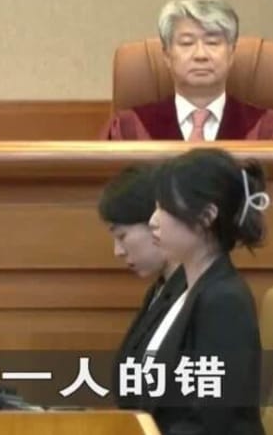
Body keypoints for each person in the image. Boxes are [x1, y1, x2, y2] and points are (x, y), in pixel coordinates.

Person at [134, 148, 269, 435]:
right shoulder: (178, 289)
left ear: (207, 216)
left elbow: (209, 421)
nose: (153, 220)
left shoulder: (224, 300)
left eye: (165, 208)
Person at [100, 0, 273, 141]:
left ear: (231, 53)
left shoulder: (271, 129)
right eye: (187, 43)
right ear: (167, 55)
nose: (200, 55)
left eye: (212, 42)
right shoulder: (128, 129)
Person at [97, 162, 185, 406]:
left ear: (157, 223)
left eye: (122, 236)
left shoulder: (208, 298)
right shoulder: (160, 291)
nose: (118, 251)